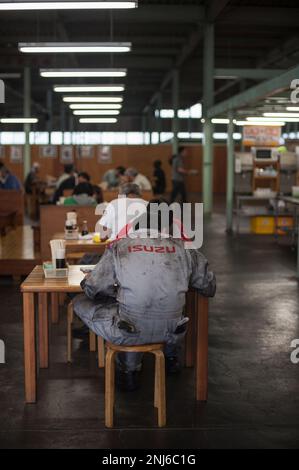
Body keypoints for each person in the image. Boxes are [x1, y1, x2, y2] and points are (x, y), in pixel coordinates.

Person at [73, 202, 216, 392]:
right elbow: (209, 288)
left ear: (135, 229)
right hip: (173, 333)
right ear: (164, 229)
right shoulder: (185, 248)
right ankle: (168, 359)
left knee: (81, 302)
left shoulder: (120, 246)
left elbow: (93, 289)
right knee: (142, 314)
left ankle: (128, 372)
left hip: (128, 331)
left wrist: (102, 286)